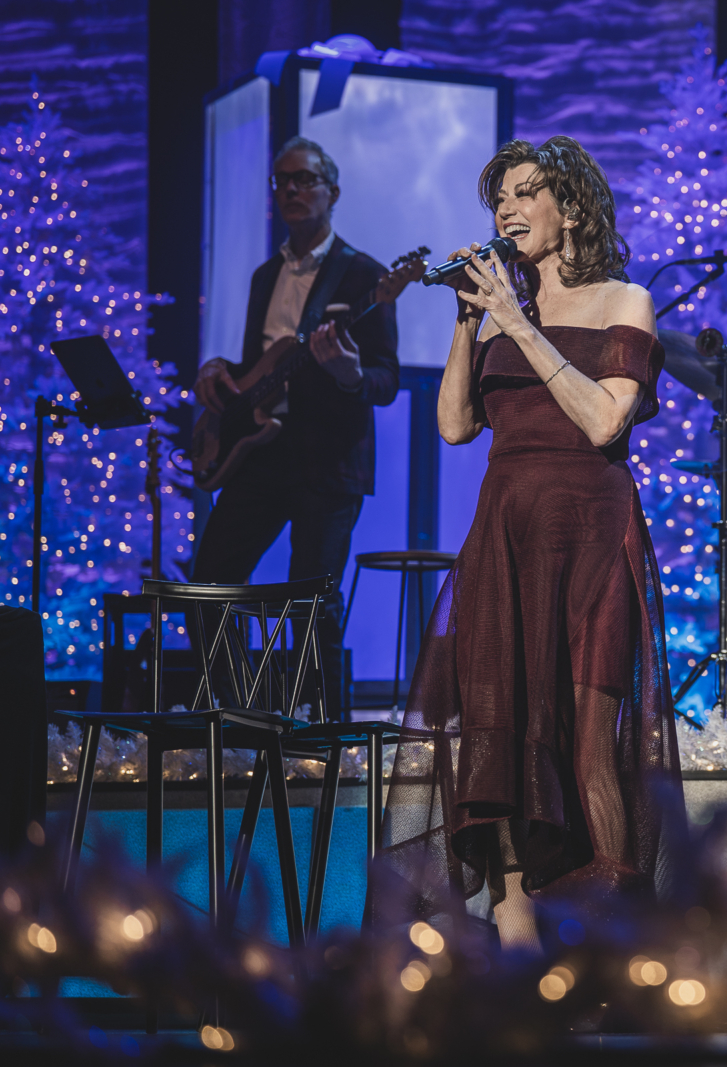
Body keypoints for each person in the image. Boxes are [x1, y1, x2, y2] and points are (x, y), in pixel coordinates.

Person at [380, 136, 681, 945]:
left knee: (588, 743)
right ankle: (518, 943)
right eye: (499, 201)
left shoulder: (626, 299)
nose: (506, 211)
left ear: (572, 208)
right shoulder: (499, 317)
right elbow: (453, 426)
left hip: (589, 538)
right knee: (499, 738)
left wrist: (520, 321)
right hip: (506, 538)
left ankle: (613, 944)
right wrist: (469, 324)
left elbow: (605, 418)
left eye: (522, 194)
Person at [191, 137, 399, 708]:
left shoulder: (365, 277)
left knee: (312, 603)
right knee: (205, 587)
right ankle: (234, 721)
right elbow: (260, 370)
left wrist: (351, 374)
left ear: (332, 192)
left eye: (305, 180)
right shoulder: (265, 276)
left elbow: (386, 381)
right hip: (259, 453)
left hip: (328, 463)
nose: (291, 189)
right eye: (282, 180)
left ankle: (326, 738)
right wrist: (218, 371)